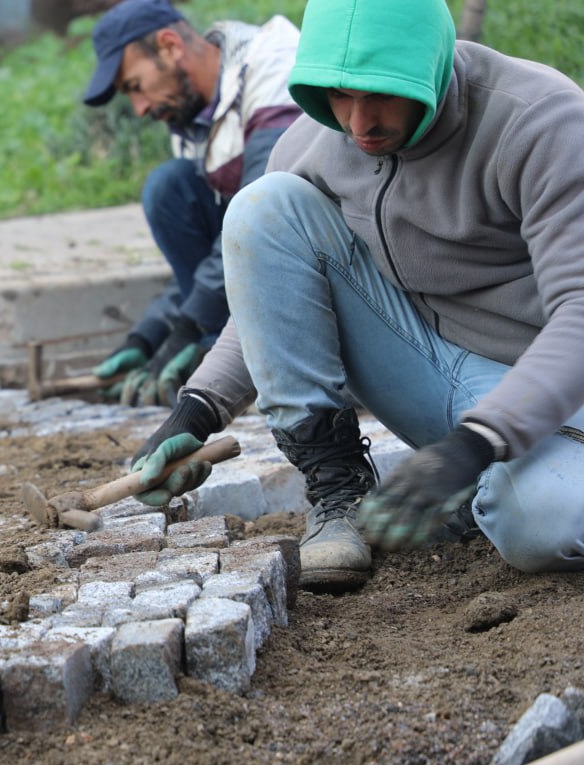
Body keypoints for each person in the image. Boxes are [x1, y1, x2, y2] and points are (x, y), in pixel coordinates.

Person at [128, 0, 584, 592]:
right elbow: (269, 282)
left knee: (543, 526)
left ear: (434, 67)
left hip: (547, 391)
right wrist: (198, 409)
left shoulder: (540, 120)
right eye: (339, 96)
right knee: (262, 208)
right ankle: (341, 492)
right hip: (425, 367)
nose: (359, 123)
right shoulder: (320, 137)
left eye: (382, 95)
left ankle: (489, 491)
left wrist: (476, 445)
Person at [81, 0, 301, 407]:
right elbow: (215, 249)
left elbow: (260, 217)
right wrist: (150, 333)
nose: (140, 108)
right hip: (266, 249)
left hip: (316, 253)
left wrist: (190, 323)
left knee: (177, 188)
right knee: (171, 188)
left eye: (134, 86)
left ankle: (248, 357)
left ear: (169, 46)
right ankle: (224, 352)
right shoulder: (190, 115)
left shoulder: (273, 67)